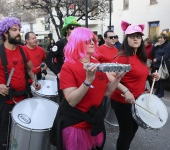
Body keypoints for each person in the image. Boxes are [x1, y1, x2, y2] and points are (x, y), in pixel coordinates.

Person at [50, 27, 125, 150]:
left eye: (93, 40)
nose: (92, 42)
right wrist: (88, 81)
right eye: (87, 40)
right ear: (77, 42)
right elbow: (72, 100)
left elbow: (106, 92)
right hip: (76, 124)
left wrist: (118, 79)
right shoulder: (68, 67)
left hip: (94, 121)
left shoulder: (96, 63)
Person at [109, 21, 159, 150]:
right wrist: (125, 90)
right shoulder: (122, 57)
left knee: (133, 130)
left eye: (138, 36)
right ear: (127, 39)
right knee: (126, 132)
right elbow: (109, 75)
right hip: (122, 101)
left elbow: (139, 73)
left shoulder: (141, 56)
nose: (136, 38)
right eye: (132, 36)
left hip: (138, 100)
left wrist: (151, 76)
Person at [0, 17, 41, 150]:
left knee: (21, 135)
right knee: (4, 136)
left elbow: (30, 69)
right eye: (14, 30)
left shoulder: (23, 50)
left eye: (19, 30)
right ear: (5, 33)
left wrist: (34, 81)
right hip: (5, 102)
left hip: (23, 100)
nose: (18, 33)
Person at [45, 16, 81, 102]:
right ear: (67, 30)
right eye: (72, 27)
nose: (74, 29)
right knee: (64, 101)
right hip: (64, 77)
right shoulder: (60, 43)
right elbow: (48, 59)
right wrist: (57, 73)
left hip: (76, 76)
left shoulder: (79, 43)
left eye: (77, 28)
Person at [152, 34, 170, 98]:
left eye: (161, 38)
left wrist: (157, 59)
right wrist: (154, 46)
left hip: (163, 64)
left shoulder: (168, 45)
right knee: (157, 78)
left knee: (162, 79)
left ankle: (161, 92)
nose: (159, 39)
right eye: (159, 38)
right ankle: (157, 90)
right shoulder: (158, 44)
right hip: (156, 64)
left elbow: (166, 55)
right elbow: (152, 52)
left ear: (165, 39)